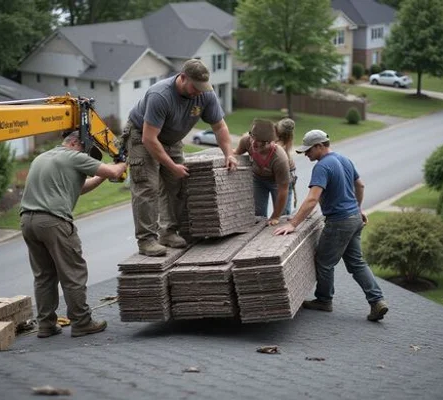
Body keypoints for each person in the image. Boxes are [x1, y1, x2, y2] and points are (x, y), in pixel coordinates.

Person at [20, 131, 128, 338]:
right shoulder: (74, 156)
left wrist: (102, 177)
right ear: (76, 143)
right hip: (53, 222)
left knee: (44, 276)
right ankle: (82, 322)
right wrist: (124, 161)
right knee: (73, 274)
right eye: (86, 149)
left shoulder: (43, 158)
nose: (87, 153)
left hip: (28, 222)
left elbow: (77, 188)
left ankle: (46, 325)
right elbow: (114, 172)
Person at [125, 59, 238, 256]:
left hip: (172, 139)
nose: (199, 92)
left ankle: (168, 232)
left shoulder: (205, 95)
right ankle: (146, 240)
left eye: (203, 87)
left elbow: (219, 127)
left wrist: (229, 153)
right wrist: (171, 166)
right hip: (142, 138)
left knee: (177, 185)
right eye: (195, 87)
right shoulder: (160, 95)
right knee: (147, 188)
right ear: (183, 78)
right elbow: (149, 139)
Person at [273, 129, 388, 322]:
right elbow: (360, 185)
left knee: (324, 261)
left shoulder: (322, 166)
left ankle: (324, 300)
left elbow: (312, 200)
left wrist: (293, 224)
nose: (306, 154)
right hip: (354, 219)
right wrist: (358, 208)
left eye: (308, 150)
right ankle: (377, 301)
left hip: (339, 221)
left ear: (319, 146)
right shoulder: (344, 159)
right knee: (357, 263)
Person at [234, 119, 290, 225]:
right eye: (253, 138)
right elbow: (236, 152)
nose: (253, 143)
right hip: (258, 178)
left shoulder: (279, 158)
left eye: (259, 141)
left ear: (269, 143)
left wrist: (275, 216)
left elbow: (283, 190)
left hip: (277, 181)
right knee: (258, 214)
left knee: (282, 216)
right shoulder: (246, 141)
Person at [275, 118, 297, 215]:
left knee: (283, 210)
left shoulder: (279, 145)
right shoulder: (284, 144)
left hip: (285, 175)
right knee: (284, 210)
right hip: (287, 175)